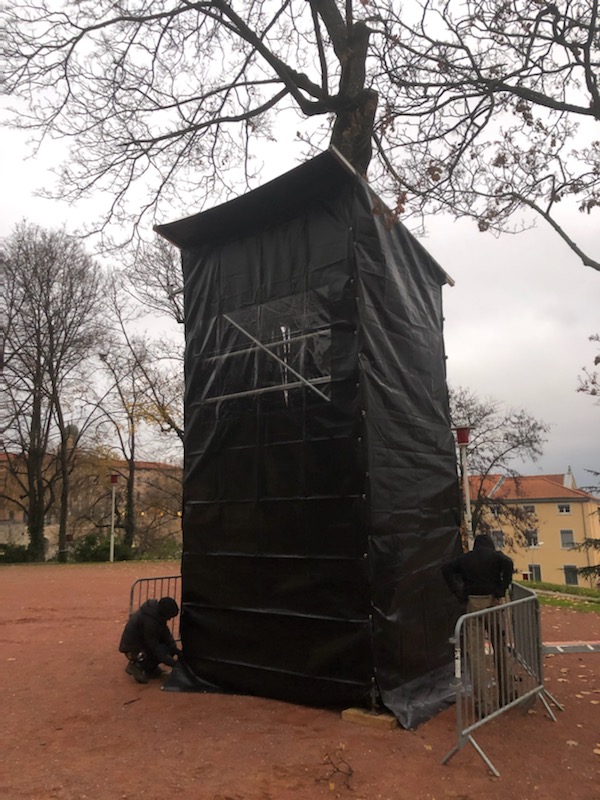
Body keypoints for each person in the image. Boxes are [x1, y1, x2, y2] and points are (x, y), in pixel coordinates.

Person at [442, 534, 515, 711]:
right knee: (500, 647)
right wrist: (500, 590)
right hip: (493, 603)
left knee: (476, 654)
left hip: (473, 603)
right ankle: (507, 694)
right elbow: (509, 563)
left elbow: (446, 569)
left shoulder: (466, 559)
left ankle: (483, 703)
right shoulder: (496, 557)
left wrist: (459, 593)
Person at [119, 596, 181, 684]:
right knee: (161, 651)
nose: (169, 619)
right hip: (133, 649)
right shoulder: (150, 621)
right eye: (169, 617)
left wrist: (174, 649)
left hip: (142, 644)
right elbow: (154, 645)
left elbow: (165, 633)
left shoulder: (157, 615)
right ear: (164, 613)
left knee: (167, 649)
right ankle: (137, 665)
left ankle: (150, 669)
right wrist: (172, 663)